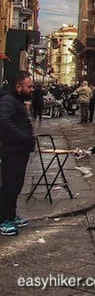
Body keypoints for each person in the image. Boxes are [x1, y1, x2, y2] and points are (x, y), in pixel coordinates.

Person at [0, 72, 35, 236]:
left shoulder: (17, 101)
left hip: (20, 150)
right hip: (12, 150)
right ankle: (4, 219)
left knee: (16, 184)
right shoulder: (8, 101)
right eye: (29, 86)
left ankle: (11, 215)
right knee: (10, 184)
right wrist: (23, 137)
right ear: (18, 87)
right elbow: (4, 122)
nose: (31, 89)